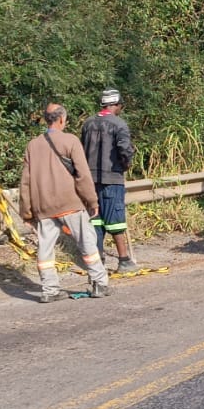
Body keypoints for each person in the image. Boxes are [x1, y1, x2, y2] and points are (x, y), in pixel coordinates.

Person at [19, 102, 111, 302]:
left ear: (46, 119)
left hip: (43, 207)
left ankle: (49, 290)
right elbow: (83, 175)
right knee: (87, 243)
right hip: (70, 203)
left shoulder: (32, 145)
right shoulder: (70, 141)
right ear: (62, 119)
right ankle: (99, 283)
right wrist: (91, 201)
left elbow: (25, 181)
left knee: (45, 249)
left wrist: (26, 212)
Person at [81, 87, 137, 273]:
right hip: (112, 178)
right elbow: (125, 150)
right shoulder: (119, 124)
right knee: (116, 220)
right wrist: (127, 164)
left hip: (90, 180)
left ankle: (98, 261)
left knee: (95, 220)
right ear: (116, 104)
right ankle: (124, 261)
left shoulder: (88, 124)